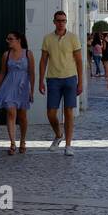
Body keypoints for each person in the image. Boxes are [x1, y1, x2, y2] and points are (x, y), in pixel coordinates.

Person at [39, 10, 83, 155]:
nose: (61, 23)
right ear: (54, 22)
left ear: (66, 22)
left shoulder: (73, 38)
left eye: (63, 20)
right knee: (51, 113)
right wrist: (40, 80)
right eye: (58, 20)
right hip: (53, 79)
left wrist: (80, 82)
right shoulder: (47, 38)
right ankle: (58, 135)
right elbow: (43, 60)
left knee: (68, 112)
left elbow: (79, 61)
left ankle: (68, 145)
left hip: (70, 78)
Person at [0, 30, 34, 155]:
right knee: (10, 112)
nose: (8, 41)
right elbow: (2, 72)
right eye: (7, 39)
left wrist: (32, 90)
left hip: (23, 87)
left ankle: (22, 141)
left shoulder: (28, 54)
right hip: (9, 86)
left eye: (10, 39)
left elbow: (32, 73)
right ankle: (12, 143)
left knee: (22, 116)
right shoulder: (6, 55)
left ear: (18, 40)